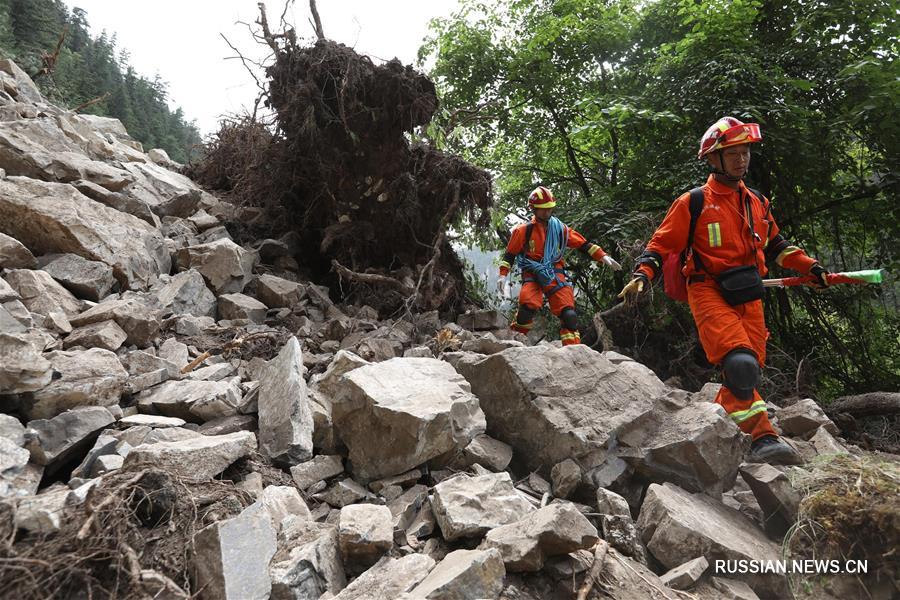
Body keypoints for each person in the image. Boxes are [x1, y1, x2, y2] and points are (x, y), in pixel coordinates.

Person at [617, 116, 829, 465]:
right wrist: (642, 274)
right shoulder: (694, 202)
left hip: (749, 291)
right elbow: (661, 245)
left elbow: (778, 245)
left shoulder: (757, 201)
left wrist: (811, 267)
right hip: (708, 289)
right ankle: (762, 439)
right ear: (714, 158)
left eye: (745, 152)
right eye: (733, 153)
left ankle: (717, 423)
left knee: (746, 372)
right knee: (741, 363)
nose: (742, 159)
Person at [498, 186, 621, 345]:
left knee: (569, 315)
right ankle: (515, 342)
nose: (547, 213)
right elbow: (510, 254)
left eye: (549, 209)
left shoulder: (560, 229)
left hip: (555, 272)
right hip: (532, 272)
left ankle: (573, 350)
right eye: (543, 209)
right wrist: (502, 274)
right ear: (534, 209)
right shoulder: (523, 231)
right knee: (527, 308)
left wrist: (602, 256)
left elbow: (582, 243)